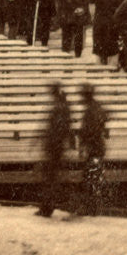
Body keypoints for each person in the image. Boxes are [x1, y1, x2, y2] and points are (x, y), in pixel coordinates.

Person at [35, 82, 71, 217]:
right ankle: (48, 206)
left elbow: (54, 129)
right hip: (58, 146)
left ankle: (47, 207)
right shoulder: (64, 106)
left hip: (54, 146)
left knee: (50, 178)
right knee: (52, 178)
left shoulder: (58, 108)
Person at [77, 83, 108, 215]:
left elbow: (89, 131)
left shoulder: (91, 110)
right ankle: (93, 207)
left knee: (91, 177)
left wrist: (83, 145)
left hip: (94, 147)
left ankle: (92, 207)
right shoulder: (96, 107)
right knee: (94, 177)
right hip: (97, 147)